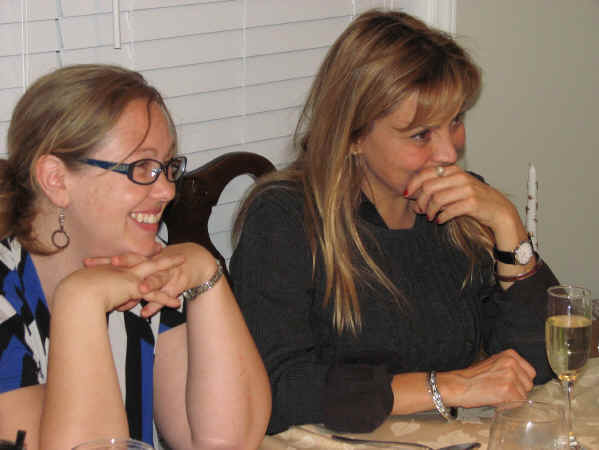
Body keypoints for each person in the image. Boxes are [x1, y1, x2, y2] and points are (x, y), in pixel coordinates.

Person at [229, 9, 557, 435]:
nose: (449, 153)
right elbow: (276, 389)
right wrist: (445, 387)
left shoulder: (458, 209)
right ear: (353, 137)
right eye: (421, 135)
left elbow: (539, 362)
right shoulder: (285, 218)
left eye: (456, 121)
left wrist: (507, 224)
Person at [0, 64, 271, 449]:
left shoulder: (140, 264)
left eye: (167, 167)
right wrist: (82, 300)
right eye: (141, 167)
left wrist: (205, 272)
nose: (167, 191)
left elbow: (225, 442)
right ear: (56, 180)